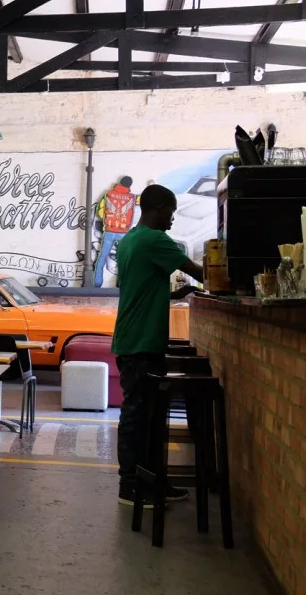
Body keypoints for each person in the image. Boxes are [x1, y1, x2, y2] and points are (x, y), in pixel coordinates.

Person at [112, 183, 203, 507]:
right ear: (160, 208)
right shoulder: (155, 239)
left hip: (132, 338)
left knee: (147, 416)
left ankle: (153, 481)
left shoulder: (130, 240)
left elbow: (139, 287)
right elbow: (199, 272)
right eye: (171, 212)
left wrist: (175, 294)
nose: (173, 220)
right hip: (141, 342)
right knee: (138, 416)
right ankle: (130, 487)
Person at [94, 176, 136, 287]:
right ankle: (121, 283)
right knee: (124, 259)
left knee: (102, 257)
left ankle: (97, 283)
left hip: (109, 231)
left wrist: (108, 220)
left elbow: (100, 211)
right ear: (129, 185)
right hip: (123, 233)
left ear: (119, 183)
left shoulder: (108, 194)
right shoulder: (132, 197)